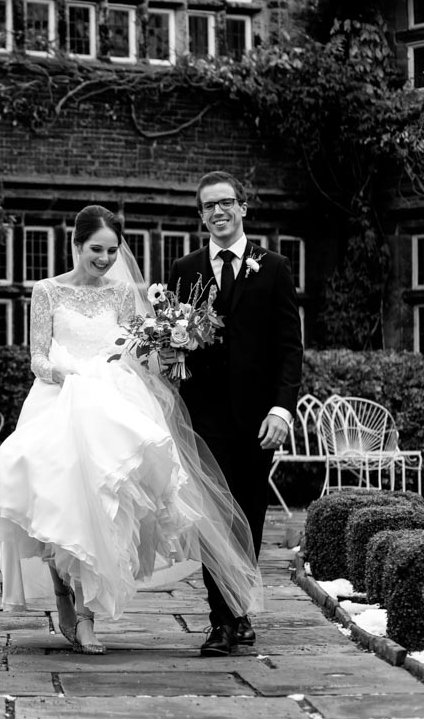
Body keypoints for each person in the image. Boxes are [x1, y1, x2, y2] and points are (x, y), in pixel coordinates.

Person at [0, 205, 262, 655]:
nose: (105, 258)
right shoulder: (46, 291)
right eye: (96, 249)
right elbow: (37, 357)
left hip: (112, 404)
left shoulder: (121, 293)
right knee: (53, 501)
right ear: (76, 245)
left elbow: (134, 349)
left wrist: (164, 352)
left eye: (112, 250)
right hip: (59, 397)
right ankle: (62, 595)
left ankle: (88, 614)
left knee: (102, 505)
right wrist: (71, 377)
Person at [168, 172, 303, 657]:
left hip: (257, 419)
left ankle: (239, 608)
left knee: (247, 515)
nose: (218, 212)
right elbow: (172, 342)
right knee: (209, 518)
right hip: (203, 418)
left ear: (244, 208)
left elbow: (289, 349)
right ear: (200, 215)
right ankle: (221, 622)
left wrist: (282, 410)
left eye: (227, 203)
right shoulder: (185, 269)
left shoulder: (274, 268)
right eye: (208, 206)